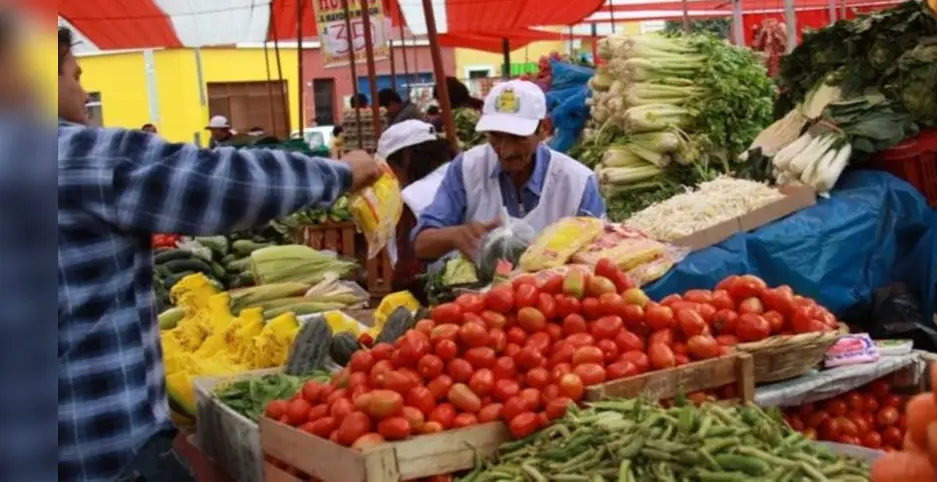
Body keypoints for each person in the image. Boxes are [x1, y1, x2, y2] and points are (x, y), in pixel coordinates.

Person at [56, 26, 381, 482]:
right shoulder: (73, 155)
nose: (83, 89)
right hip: (103, 454)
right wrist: (340, 174)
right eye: (75, 75)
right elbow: (218, 181)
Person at [412, 80, 606, 261]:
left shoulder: (577, 183)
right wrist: (455, 235)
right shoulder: (467, 168)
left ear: (544, 129)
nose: (505, 151)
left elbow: (598, 256)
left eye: (517, 137)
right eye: (495, 136)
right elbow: (421, 244)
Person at [376, 120, 454, 300]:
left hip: (437, 300)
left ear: (406, 158)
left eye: (391, 167)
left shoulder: (411, 198)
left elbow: (408, 273)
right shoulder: (459, 175)